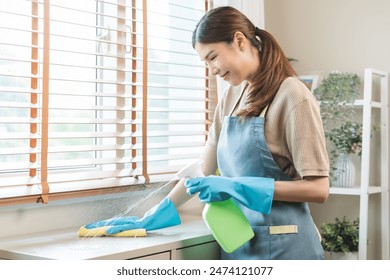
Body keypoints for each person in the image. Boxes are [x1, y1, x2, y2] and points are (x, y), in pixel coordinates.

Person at [84, 6, 330, 260]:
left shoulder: (293, 95)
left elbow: (318, 189)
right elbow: (203, 168)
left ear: (239, 41)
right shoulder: (231, 96)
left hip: (286, 249)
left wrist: (237, 187)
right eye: (205, 62)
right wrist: (159, 211)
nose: (211, 70)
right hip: (239, 246)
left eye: (213, 57)